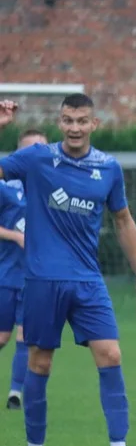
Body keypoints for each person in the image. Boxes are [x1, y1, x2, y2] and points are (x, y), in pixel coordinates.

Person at [0, 95, 136, 446]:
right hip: (42, 280)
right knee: (40, 362)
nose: (74, 128)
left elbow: (123, 221)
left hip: (87, 280)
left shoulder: (108, 168)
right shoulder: (37, 159)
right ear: (60, 121)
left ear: (94, 124)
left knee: (111, 354)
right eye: (68, 120)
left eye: (82, 121)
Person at [0, 129, 48, 411]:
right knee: (3, 337)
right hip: (6, 273)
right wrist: (15, 236)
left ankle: (16, 392)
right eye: (31, 149)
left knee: (25, 336)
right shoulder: (6, 187)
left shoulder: (50, 188)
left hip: (36, 277)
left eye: (42, 148)